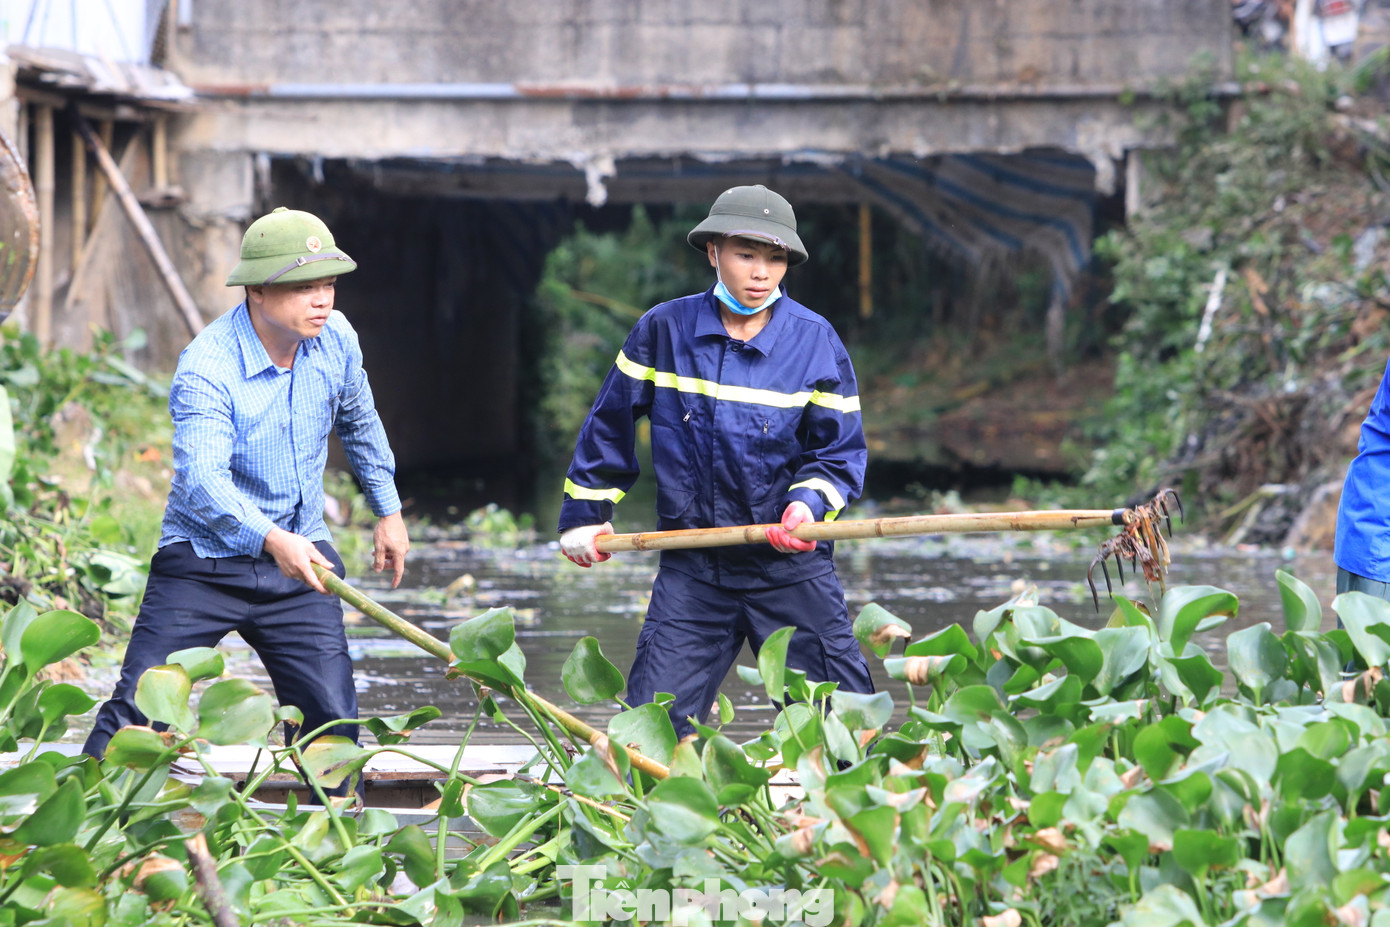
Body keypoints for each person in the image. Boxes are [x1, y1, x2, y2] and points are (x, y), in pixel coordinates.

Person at [83, 207, 410, 777]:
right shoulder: (207, 366)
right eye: (303, 287)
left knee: (332, 728)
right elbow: (203, 481)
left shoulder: (336, 340)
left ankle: (333, 828)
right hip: (204, 562)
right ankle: (90, 812)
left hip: (303, 565)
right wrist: (271, 538)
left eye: (328, 284)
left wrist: (388, 510)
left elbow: (359, 419)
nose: (321, 301)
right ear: (256, 290)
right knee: (138, 712)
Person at [557, 184, 875, 737]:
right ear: (713, 252)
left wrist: (807, 506)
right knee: (649, 737)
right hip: (694, 567)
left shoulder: (816, 342)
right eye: (746, 254)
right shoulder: (664, 329)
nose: (762, 273)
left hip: (790, 569)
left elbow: (838, 453)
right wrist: (585, 515)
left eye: (775, 259)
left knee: (843, 733)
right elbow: (610, 425)